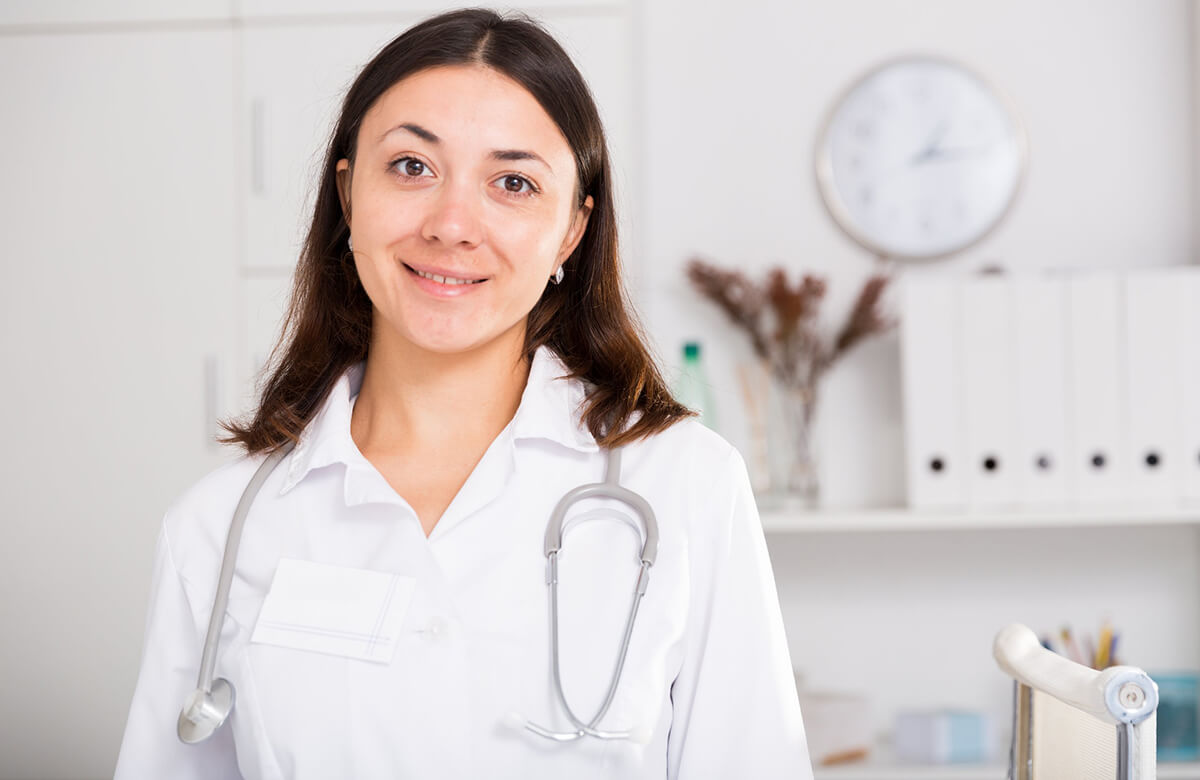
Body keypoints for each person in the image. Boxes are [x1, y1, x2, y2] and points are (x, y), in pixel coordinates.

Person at [114, 8, 811, 779]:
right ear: (348, 196)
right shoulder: (218, 528)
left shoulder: (684, 486)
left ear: (572, 234)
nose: (452, 225)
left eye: (513, 183)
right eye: (412, 166)